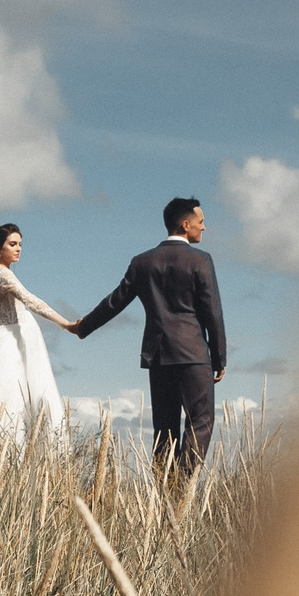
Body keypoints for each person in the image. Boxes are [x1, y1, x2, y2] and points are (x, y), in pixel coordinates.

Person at [72, 196, 227, 476]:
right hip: (193, 355)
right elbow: (212, 312)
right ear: (185, 224)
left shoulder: (142, 262)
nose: (204, 228)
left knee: (164, 429)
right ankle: (182, 487)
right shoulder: (200, 260)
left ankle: (164, 495)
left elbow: (114, 302)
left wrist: (84, 328)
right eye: (201, 222)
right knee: (200, 422)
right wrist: (219, 358)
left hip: (158, 355)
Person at [0, 222, 77, 438]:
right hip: (13, 341)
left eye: (20, 244)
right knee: (18, 397)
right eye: (12, 244)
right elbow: (32, 301)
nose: (18, 249)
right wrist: (66, 324)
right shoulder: (4, 275)